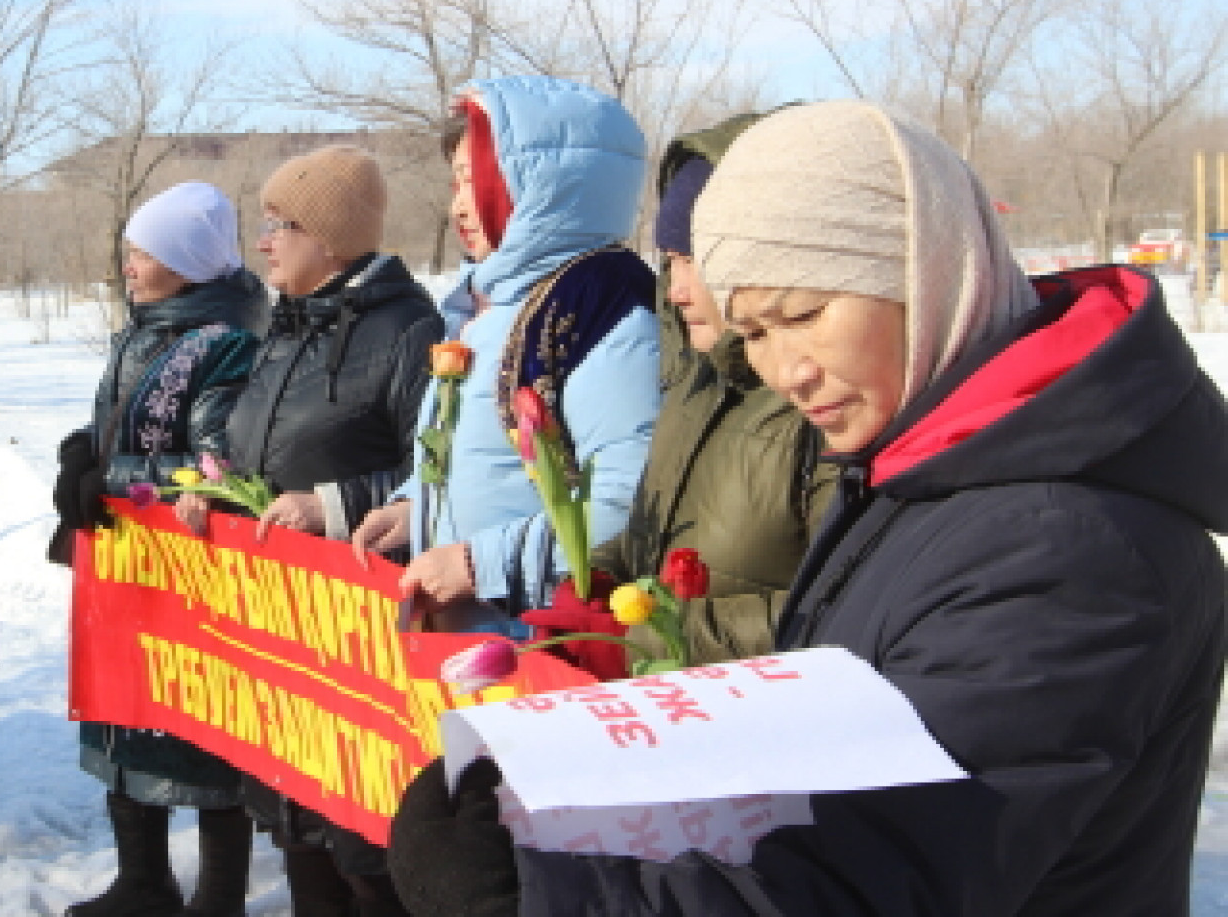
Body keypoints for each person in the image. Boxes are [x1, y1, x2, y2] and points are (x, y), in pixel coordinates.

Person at [390, 101, 1228, 916]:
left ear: (925, 271)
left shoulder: (1066, 541)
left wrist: (533, 894)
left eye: (803, 315)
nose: (787, 372)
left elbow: (867, 869)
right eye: (754, 332)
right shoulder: (920, 466)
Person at [176, 145, 441, 916]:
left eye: (280, 224)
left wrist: (334, 503)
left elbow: (439, 476)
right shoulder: (286, 323)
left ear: (329, 236)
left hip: (357, 636)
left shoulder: (407, 329)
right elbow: (259, 444)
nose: (263, 241)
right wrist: (219, 490)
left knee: (362, 839)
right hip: (279, 630)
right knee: (294, 826)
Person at [348, 76, 660, 634]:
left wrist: (477, 564)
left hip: (536, 648)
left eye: (476, 181)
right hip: (469, 640)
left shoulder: (598, 312)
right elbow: (485, 466)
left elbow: (626, 504)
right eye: (454, 183)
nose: (459, 205)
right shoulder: (485, 309)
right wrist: (412, 508)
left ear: (540, 186)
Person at [53, 181, 267, 917]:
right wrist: (82, 451)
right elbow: (122, 422)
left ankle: (220, 896)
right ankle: (142, 880)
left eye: (142, 252)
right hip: (128, 566)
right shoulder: (147, 326)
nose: (127, 266)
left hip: (192, 569)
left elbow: (214, 466)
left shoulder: (226, 341)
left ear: (184, 260)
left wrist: (105, 475)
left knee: (203, 732)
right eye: (127, 251)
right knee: (123, 709)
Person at [559, 111, 836, 673]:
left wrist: (642, 636)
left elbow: (839, 610)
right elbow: (648, 536)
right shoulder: (693, 385)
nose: (678, 290)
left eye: (695, 262)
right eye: (669, 262)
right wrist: (599, 578)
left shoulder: (824, 403)